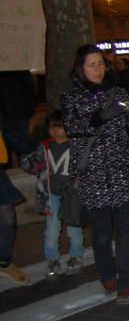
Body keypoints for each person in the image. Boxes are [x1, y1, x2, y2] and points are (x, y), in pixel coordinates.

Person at [61, 44, 129, 303]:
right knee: (102, 233)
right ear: (80, 68)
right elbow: (73, 127)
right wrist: (102, 115)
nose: (98, 69)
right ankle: (107, 274)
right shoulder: (71, 98)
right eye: (91, 64)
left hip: (122, 170)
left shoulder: (119, 92)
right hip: (93, 175)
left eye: (101, 63)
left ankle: (128, 281)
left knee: (125, 229)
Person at [21, 111, 83, 277]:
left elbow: (86, 168)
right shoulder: (45, 146)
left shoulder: (76, 146)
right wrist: (34, 160)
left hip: (72, 196)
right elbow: (28, 165)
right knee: (51, 230)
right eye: (52, 127)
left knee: (74, 227)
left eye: (60, 126)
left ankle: (76, 255)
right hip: (51, 196)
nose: (55, 130)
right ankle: (52, 258)